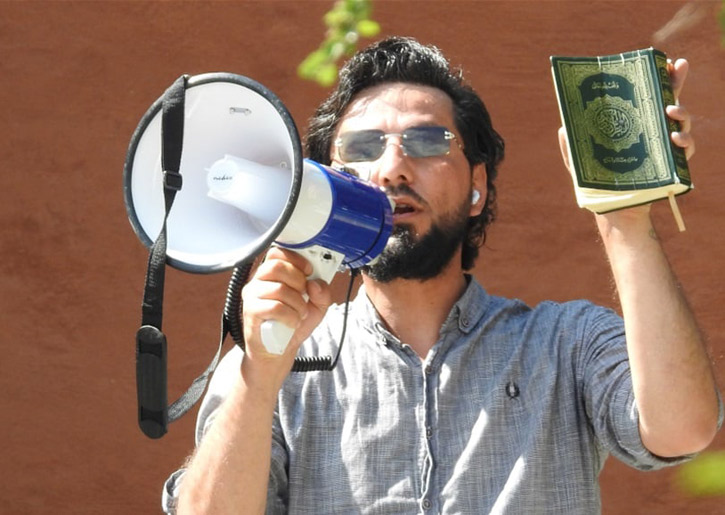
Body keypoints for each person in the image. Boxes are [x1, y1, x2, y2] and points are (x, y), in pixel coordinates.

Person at [163, 37, 721, 514]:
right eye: (363, 147)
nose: (392, 168)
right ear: (329, 179)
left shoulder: (565, 344)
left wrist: (623, 222)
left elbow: (683, 430)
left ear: (477, 185)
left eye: (427, 142)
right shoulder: (272, 364)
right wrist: (260, 377)